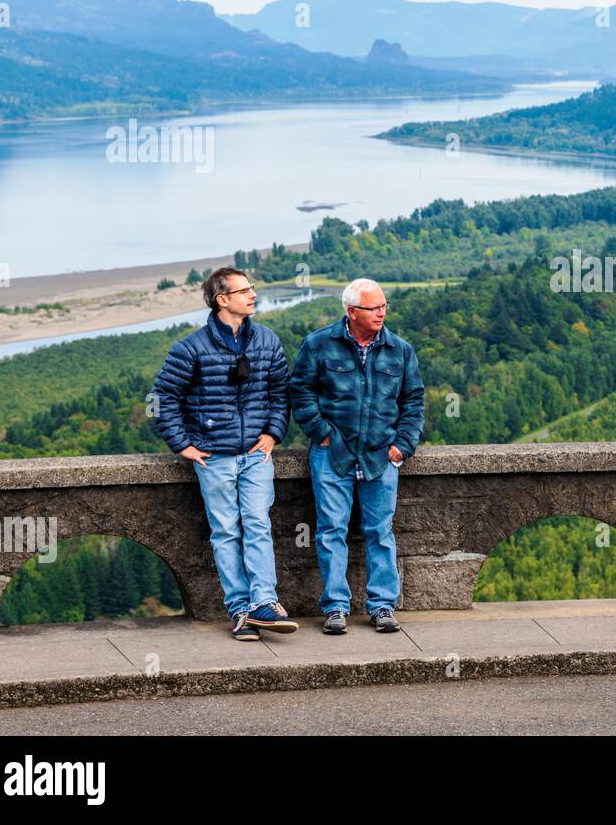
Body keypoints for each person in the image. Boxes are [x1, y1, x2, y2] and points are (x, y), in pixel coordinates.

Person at [152, 267, 298, 640]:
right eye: (245, 290)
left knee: (257, 524)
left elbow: (281, 393)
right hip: (214, 456)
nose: (253, 295)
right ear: (223, 300)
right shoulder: (191, 348)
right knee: (226, 532)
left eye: (252, 288)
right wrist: (182, 444)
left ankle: (265, 602)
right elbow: (162, 399)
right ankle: (240, 611)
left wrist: (273, 434)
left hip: (255, 455)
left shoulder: (266, 341)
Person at [290, 278, 425, 635]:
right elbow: (300, 391)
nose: (381, 312)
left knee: (380, 532)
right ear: (352, 312)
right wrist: (321, 433)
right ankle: (335, 607)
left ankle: (382, 607)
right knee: (330, 531)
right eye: (373, 307)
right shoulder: (318, 344)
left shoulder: (400, 350)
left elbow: (413, 401)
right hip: (332, 455)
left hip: (382, 456)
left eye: (384, 306)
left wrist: (403, 446)